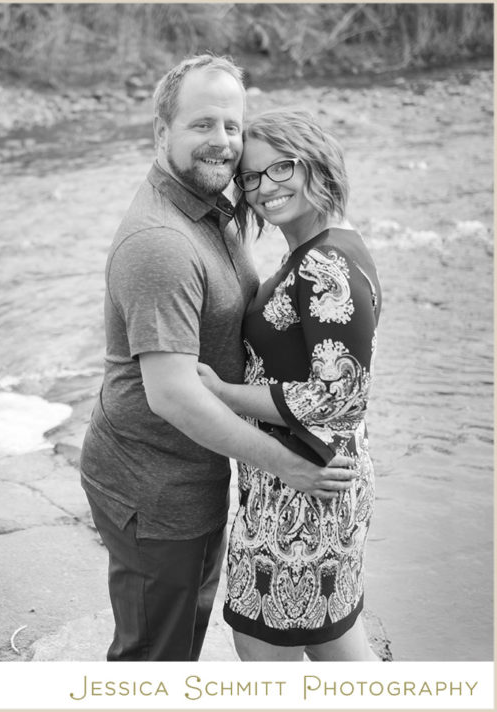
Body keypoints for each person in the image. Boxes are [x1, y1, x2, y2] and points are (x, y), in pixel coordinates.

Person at [78, 54, 357, 661]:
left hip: (194, 473)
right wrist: (289, 466)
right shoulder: (161, 242)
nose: (224, 142)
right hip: (154, 486)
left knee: (182, 639)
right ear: (162, 132)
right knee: (156, 658)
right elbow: (174, 394)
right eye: (203, 124)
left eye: (232, 125)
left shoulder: (212, 206)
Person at [197, 109, 381, 661]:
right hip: (305, 481)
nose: (264, 188)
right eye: (251, 177)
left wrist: (221, 393)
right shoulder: (320, 247)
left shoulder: (324, 265)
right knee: (334, 645)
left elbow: (338, 396)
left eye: (281, 168)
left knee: (263, 649)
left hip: (305, 494)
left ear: (315, 164)